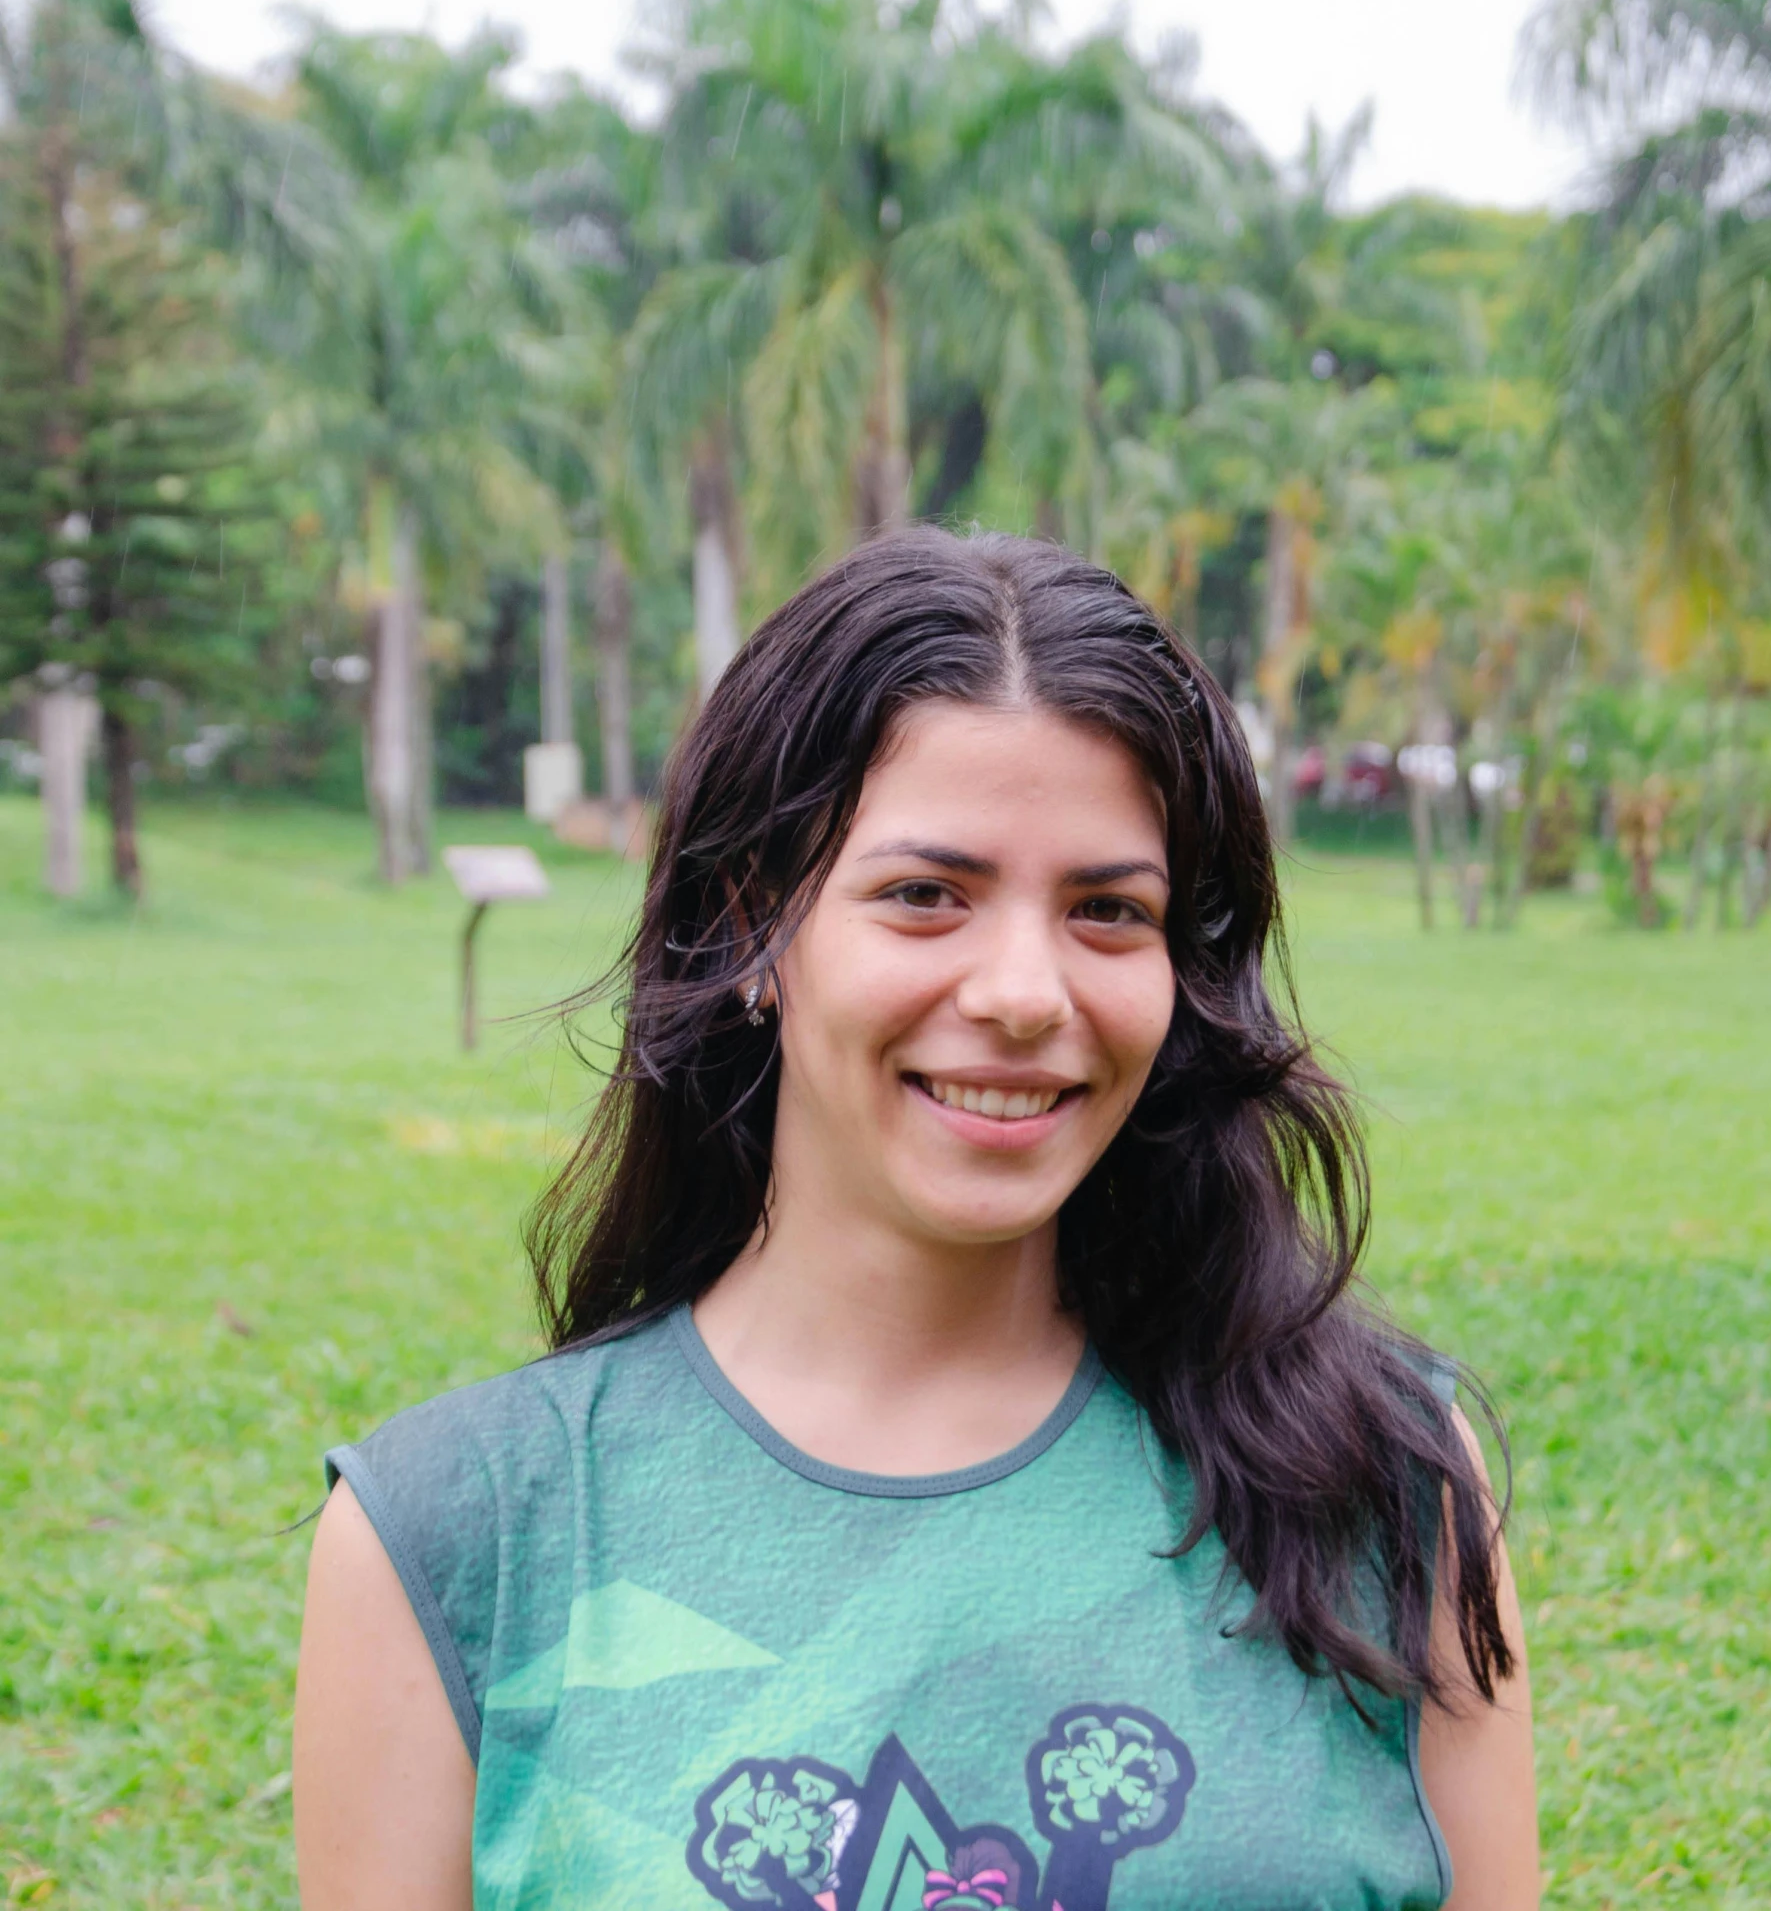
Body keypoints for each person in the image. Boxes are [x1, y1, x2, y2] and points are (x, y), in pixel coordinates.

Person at [294, 529, 1538, 1911]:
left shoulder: (1382, 1483)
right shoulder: (459, 1538)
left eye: (1108, 910)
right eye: (925, 895)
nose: (1023, 991)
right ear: (751, 928)